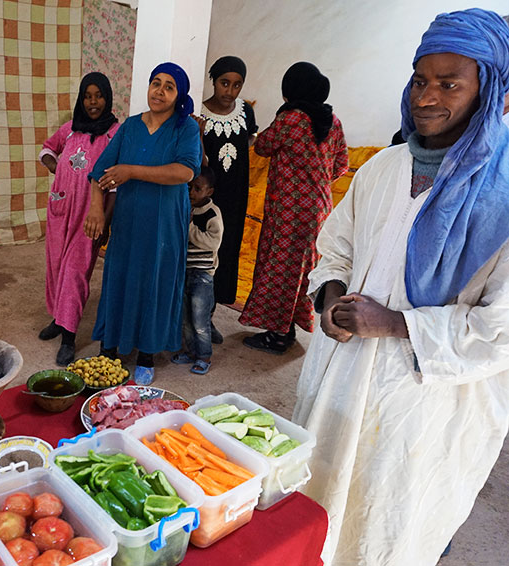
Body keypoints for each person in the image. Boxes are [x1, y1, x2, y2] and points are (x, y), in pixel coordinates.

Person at [293, 9, 509, 565]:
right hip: (339, 376)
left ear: (489, 92)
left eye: (449, 84)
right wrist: (330, 295)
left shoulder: (502, 197)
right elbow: (334, 244)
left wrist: (392, 324)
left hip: (425, 404)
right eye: (419, 80)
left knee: (389, 527)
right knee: (314, 505)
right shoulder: (385, 167)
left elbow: (499, 330)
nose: (426, 97)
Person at [84, 62, 202, 385]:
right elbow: (99, 171)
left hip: (165, 222)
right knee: (120, 276)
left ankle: (147, 354)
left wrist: (132, 171)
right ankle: (109, 348)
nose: (159, 92)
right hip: (129, 219)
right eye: (155, 83)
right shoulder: (131, 126)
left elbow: (186, 172)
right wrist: (96, 209)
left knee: (157, 280)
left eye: (169, 87)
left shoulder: (185, 128)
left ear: (179, 96)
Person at [238, 62, 348, 354]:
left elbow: (263, 147)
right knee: (303, 270)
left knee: (281, 270)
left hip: (289, 209)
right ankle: (288, 328)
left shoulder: (291, 120)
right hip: (320, 207)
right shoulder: (333, 121)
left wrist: (296, 182)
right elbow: (342, 165)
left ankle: (277, 335)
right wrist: (317, 180)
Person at [38, 72, 120, 366]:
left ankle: (69, 337)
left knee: (75, 272)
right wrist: (55, 166)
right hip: (60, 209)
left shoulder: (115, 134)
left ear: (108, 98)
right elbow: (46, 149)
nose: (93, 102)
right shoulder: (70, 129)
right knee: (57, 267)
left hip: (90, 217)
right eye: (87, 96)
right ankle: (59, 319)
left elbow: (116, 184)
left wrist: (106, 221)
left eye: (98, 95)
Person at [197, 56, 257, 342]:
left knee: (227, 251)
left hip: (235, 196)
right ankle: (193, 317)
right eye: (224, 83)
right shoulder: (200, 114)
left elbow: (249, 141)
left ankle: (208, 317)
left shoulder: (245, 111)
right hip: (208, 196)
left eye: (236, 85)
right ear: (214, 81)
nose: (230, 91)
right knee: (202, 254)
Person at [170, 167, 222, 375]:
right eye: (190, 187)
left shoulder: (212, 214)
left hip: (202, 275)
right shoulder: (184, 207)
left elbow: (212, 243)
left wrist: (190, 227)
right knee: (185, 316)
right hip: (184, 271)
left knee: (200, 319)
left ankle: (204, 356)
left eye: (198, 189)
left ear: (209, 192)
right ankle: (190, 351)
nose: (192, 192)